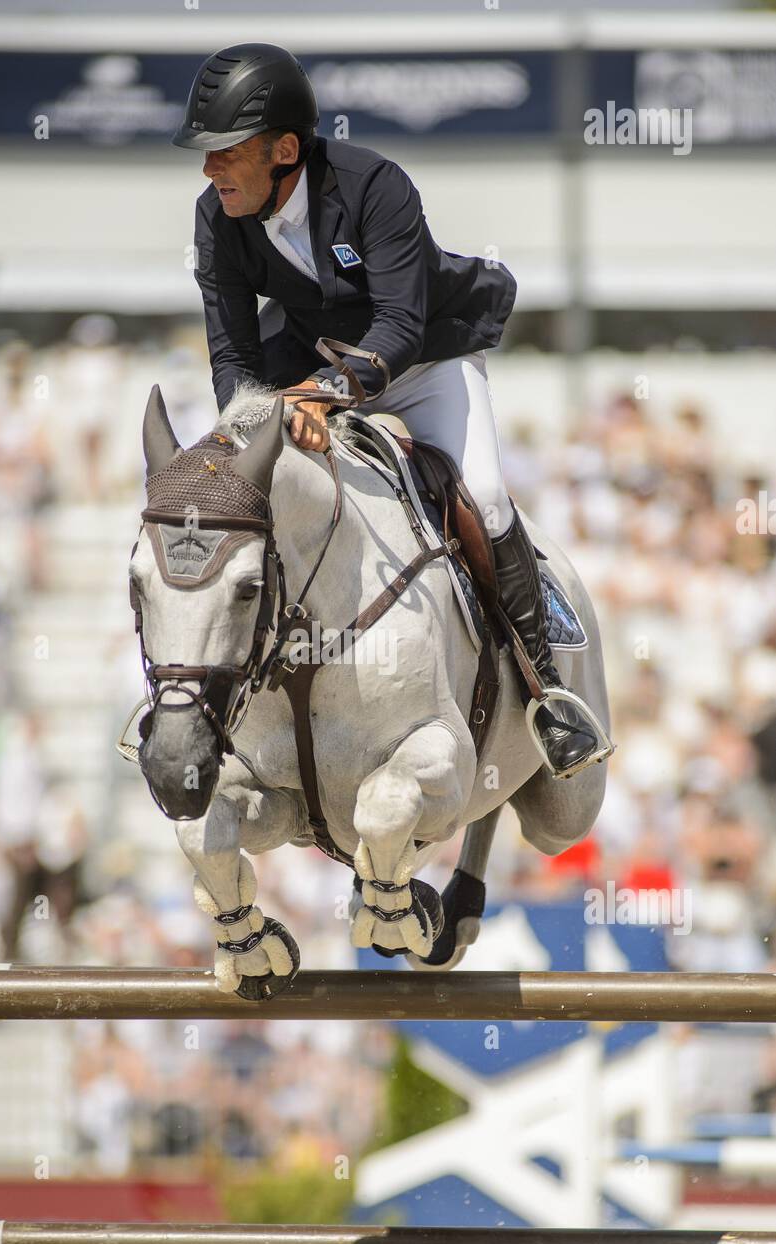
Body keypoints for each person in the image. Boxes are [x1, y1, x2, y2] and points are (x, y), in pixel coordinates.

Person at [173, 43, 603, 776]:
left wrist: (324, 396)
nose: (209, 169)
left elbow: (399, 328)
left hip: (424, 362)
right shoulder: (216, 217)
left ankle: (544, 690)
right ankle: (205, 695)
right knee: (238, 498)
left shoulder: (375, 186)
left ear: (283, 149)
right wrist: (262, 422)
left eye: (225, 152)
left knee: (489, 499)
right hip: (305, 369)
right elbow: (233, 360)